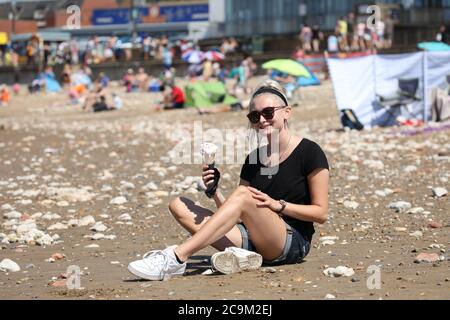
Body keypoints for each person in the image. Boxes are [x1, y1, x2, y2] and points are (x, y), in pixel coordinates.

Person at [127, 79, 330, 280]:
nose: (262, 120)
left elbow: (320, 213)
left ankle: (176, 258)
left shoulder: (309, 152)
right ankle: (245, 257)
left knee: (243, 194)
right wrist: (215, 191)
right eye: (254, 115)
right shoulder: (254, 158)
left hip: (290, 241)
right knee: (178, 205)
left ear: (287, 112)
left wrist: (278, 206)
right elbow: (238, 214)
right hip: (253, 238)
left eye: (268, 112)